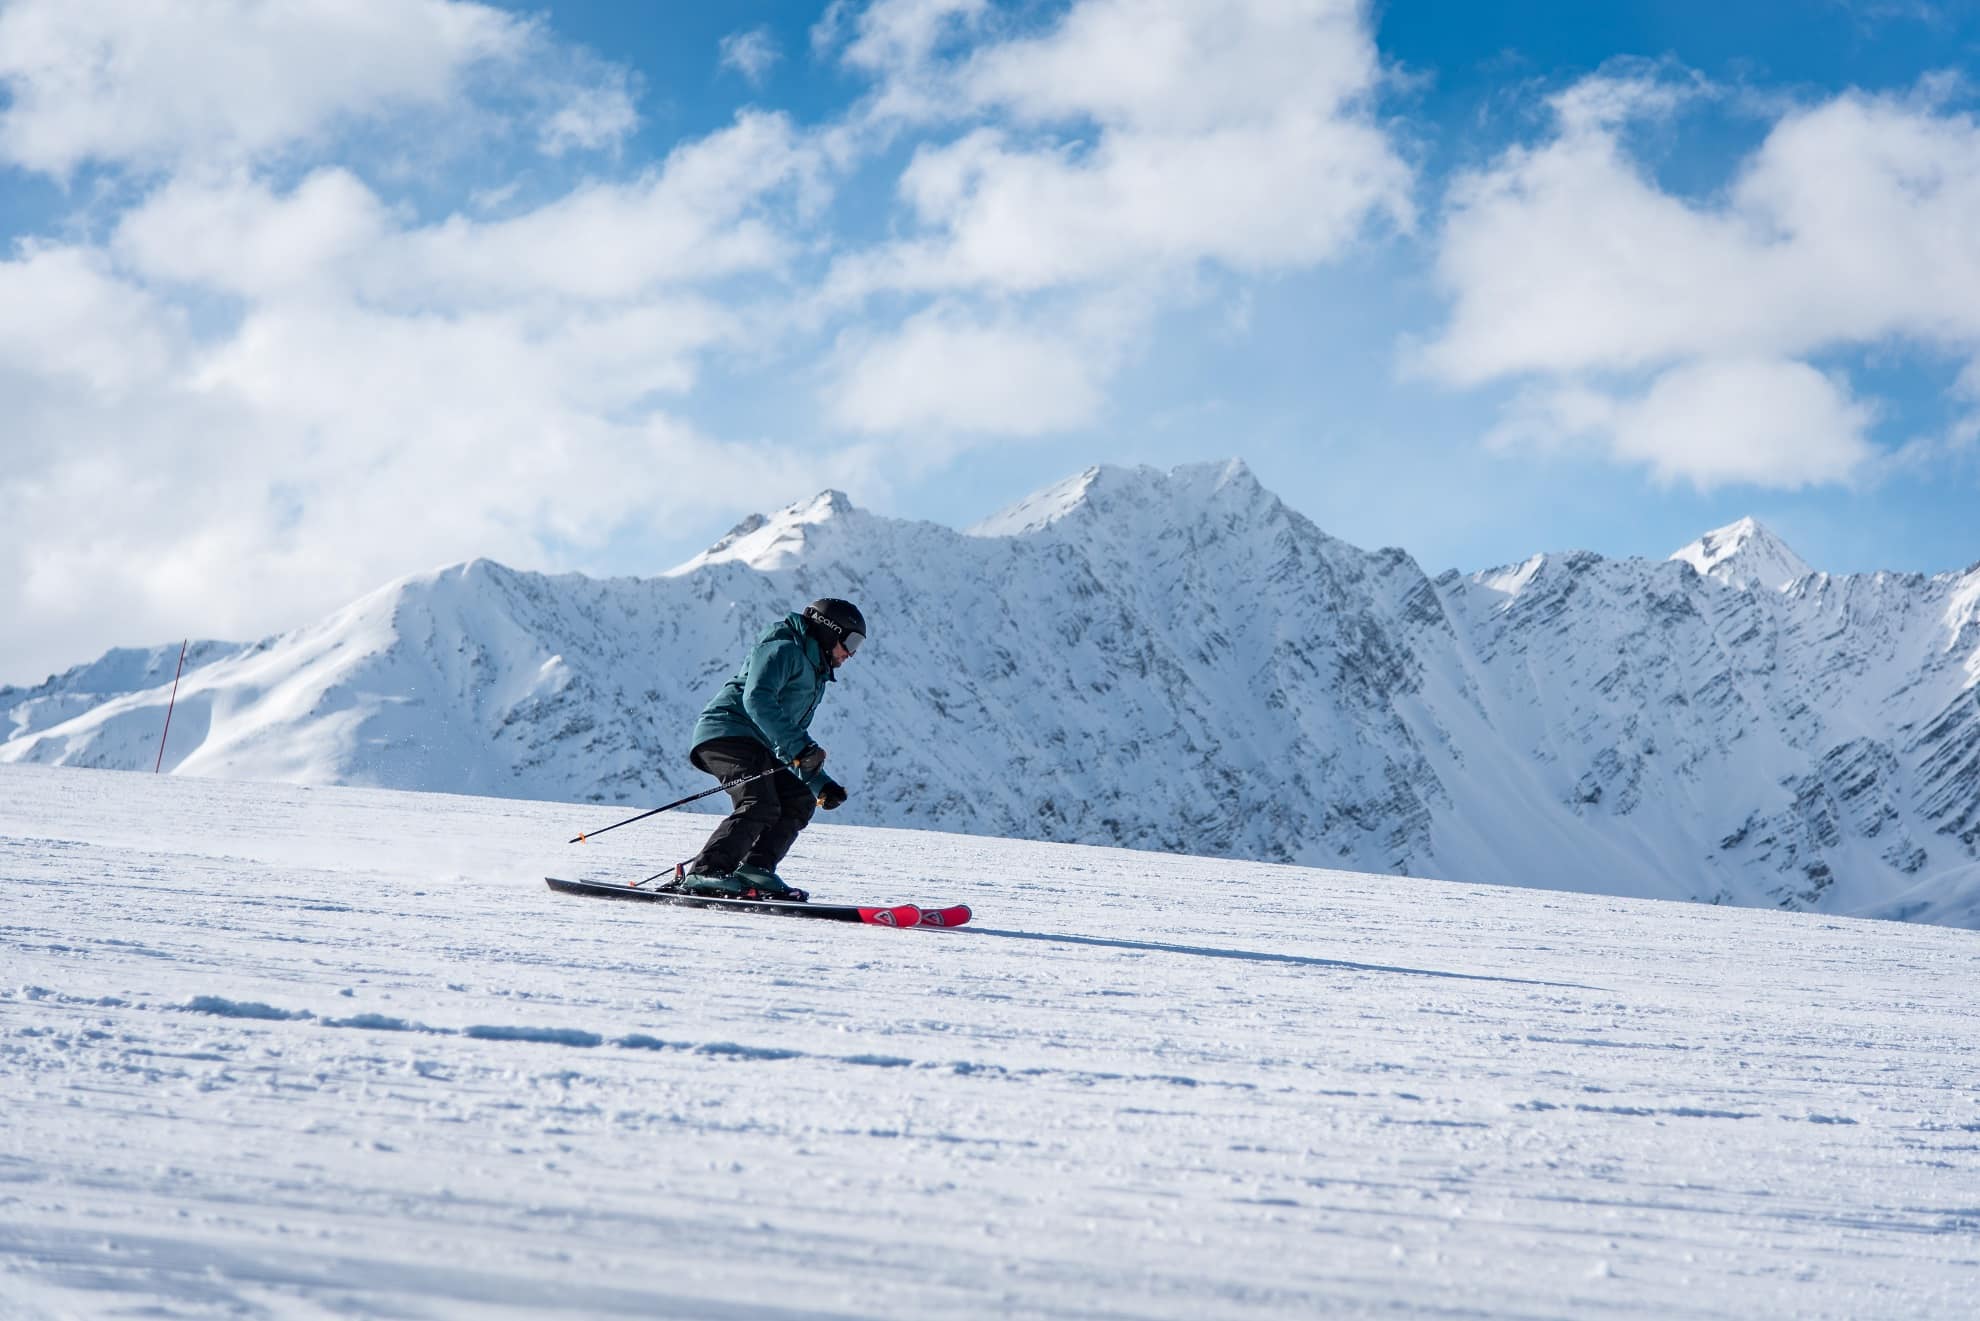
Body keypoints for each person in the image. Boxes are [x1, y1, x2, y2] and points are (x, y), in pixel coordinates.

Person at [667, 598, 865, 901]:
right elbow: (757, 700)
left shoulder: (815, 674)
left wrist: (819, 783)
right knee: (760, 800)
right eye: (850, 641)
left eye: (858, 645)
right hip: (727, 733)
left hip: (758, 743)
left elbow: (786, 736)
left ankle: (755, 869)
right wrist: (803, 747)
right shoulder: (784, 647)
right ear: (828, 630)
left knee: (798, 799)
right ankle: (706, 872)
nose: (851, 653)